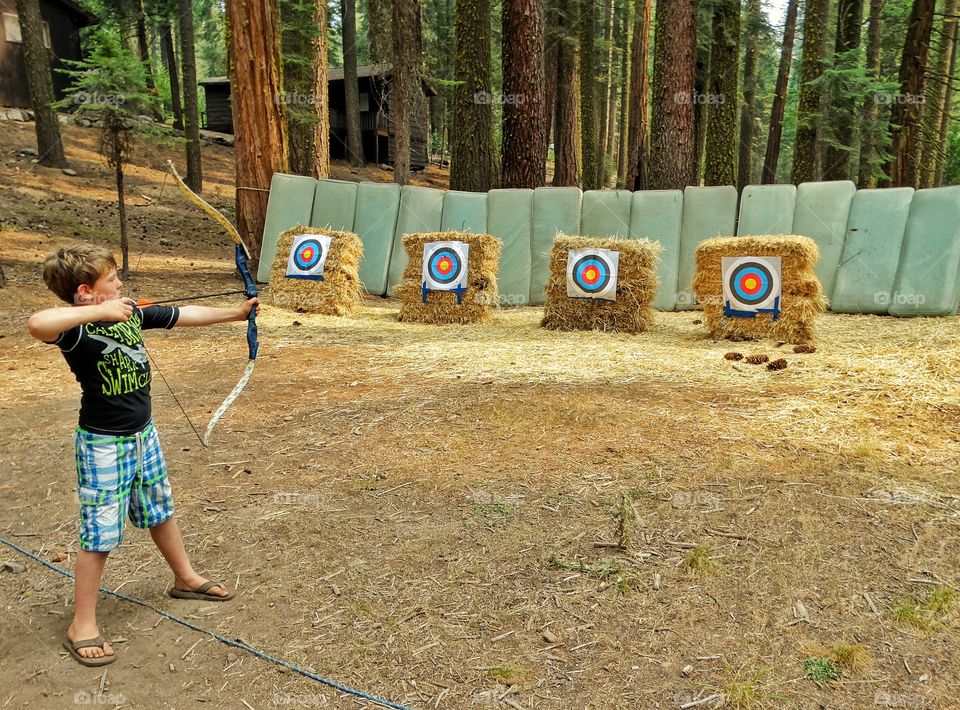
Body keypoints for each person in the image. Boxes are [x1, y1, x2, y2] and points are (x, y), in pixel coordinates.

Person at [27, 242, 259, 667]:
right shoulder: (77, 327)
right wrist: (99, 312)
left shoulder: (129, 312)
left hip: (142, 435)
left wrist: (234, 313)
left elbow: (180, 315)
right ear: (85, 292)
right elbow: (37, 323)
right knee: (100, 534)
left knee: (159, 510)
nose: (121, 285)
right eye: (111, 280)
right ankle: (82, 624)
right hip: (102, 444)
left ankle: (185, 577)